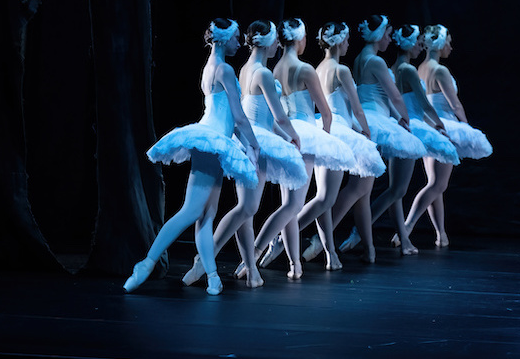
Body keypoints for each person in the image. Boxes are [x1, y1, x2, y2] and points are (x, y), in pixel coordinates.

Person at [124, 19, 259, 296]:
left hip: (214, 140)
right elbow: (238, 116)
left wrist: (243, 144)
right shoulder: (224, 69)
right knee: (191, 211)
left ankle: (212, 277)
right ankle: (145, 264)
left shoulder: (210, 68)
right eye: (235, 37)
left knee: (206, 215)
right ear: (222, 40)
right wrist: (254, 146)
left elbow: (226, 117)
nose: (239, 42)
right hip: (211, 142)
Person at [183, 20, 308, 289]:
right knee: (247, 208)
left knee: (247, 210)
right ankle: (205, 258)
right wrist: (292, 136)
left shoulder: (244, 69)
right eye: (276, 41)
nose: (278, 45)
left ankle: (251, 270)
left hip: (248, 138)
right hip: (255, 140)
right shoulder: (262, 72)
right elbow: (279, 117)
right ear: (266, 43)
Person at [259, 22, 386, 271]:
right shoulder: (333, 69)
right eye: (347, 39)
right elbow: (350, 109)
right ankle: (280, 240)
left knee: (322, 198)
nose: (349, 44)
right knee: (322, 199)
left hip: (298, 131)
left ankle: (329, 253)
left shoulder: (283, 69)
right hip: (325, 130)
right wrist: (363, 133)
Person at [236, 18, 356, 279]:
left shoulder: (275, 67)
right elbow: (326, 113)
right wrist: (325, 139)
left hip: (282, 135)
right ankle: (255, 252)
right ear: (300, 39)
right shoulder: (305, 69)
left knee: (289, 204)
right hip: (301, 133)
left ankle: (294, 264)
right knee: (294, 205)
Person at [331, 15, 425, 264]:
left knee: (367, 189)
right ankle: (327, 236)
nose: (388, 38)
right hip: (376, 121)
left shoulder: (360, 59)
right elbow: (394, 97)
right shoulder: (376, 61)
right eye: (386, 34)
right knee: (366, 188)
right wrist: (406, 121)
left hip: (370, 119)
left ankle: (382, 243)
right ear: (377, 35)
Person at [366, 24, 459, 256]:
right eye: (417, 43)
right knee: (420, 186)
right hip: (418, 125)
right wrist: (443, 125)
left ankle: (436, 233)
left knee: (418, 186)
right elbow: (429, 104)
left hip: (407, 126)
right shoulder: (410, 70)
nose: (420, 46)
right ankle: (386, 228)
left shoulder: (401, 68)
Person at [399, 24, 492, 249]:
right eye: (448, 41)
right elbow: (455, 103)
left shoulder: (420, 68)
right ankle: (406, 227)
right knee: (438, 184)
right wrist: (467, 128)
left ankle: (441, 233)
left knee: (435, 184)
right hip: (443, 126)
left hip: (427, 126)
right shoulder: (440, 70)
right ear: (440, 45)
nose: (451, 46)